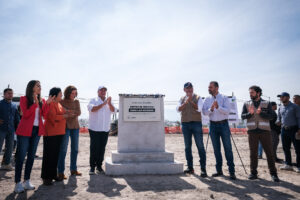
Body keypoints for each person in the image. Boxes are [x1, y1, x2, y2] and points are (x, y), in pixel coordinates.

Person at [14, 80, 53, 193]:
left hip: (37, 131)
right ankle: (17, 183)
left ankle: (26, 181)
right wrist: (35, 103)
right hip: (25, 131)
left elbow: (45, 115)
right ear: (31, 87)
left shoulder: (43, 100)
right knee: (21, 157)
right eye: (38, 86)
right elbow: (25, 114)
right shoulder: (23, 99)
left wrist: (47, 104)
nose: (40, 87)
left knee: (31, 157)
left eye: (40, 85)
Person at [241, 86, 279, 182]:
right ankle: (253, 173)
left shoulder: (267, 103)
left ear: (258, 93)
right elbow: (242, 116)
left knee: (269, 153)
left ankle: (273, 174)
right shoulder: (246, 103)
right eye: (250, 92)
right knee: (253, 153)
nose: (250, 94)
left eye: (252, 92)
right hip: (252, 132)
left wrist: (261, 113)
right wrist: (250, 113)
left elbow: (272, 116)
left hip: (265, 132)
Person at [202, 81, 236, 180]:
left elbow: (227, 111)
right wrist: (211, 109)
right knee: (216, 149)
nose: (209, 89)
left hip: (224, 124)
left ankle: (231, 171)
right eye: (208, 87)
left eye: (211, 87)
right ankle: (219, 170)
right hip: (212, 126)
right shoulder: (207, 99)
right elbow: (204, 112)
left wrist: (218, 107)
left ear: (217, 88)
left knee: (228, 148)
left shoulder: (224, 98)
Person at [42, 87, 74, 185]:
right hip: (51, 133)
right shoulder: (51, 103)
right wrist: (65, 116)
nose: (62, 96)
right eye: (60, 94)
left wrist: (68, 112)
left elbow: (63, 111)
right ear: (55, 96)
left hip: (58, 133)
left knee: (55, 155)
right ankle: (46, 178)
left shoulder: (58, 103)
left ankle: (53, 175)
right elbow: (53, 117)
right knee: (49, 156)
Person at [176, 82, 207, 177]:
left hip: (196, 123)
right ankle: (190, 167)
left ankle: (203, 169)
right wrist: (186, 102)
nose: (189, 90)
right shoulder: (181, 99)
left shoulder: (198, 97)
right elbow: (178, 109)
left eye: (190, 88)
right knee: (187, 147)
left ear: (193, 88)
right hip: (185, 124)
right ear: (184, 90)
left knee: (200, 146)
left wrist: (191, 102)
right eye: (187, 89)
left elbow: (199, 109)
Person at [87, 86, 116, 175]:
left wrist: (109, 103)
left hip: (105, 129)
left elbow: (114, 111)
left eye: (104, 90)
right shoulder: (93, 100)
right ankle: (92, 167)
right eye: (101, 90)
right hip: (94, 128)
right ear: (98, 92)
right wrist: (103, 104)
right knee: (94, 148)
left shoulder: (109, 102)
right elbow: (92, 109)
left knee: (102, 148)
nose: (103, 92)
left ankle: (99, 166)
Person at [57, 86, 81, 179]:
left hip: (75, 127)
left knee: (75, 149)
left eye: (75, 93)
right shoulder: (61, 101)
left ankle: (73, 169)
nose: (74, 95)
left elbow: (79, 112)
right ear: (68, 93)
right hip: (65, 127)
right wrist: (69, 113)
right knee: (63, 150)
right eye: (72, 93)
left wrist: (67, 112)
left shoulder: (77, 101)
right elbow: (61, 113)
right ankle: (60, 172)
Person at [277, 92, 300, 173]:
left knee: (298, 148)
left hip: (294, 129)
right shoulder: (280, 107)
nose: (281, 98)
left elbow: (299, 118)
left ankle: (298, 166)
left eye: (282, 97)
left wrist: (299, 129)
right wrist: (278, 122)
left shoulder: (295, 107)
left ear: (288, 97)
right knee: (285, 147)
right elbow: (279, 118)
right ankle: (288, 164)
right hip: (284, 130)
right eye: (280, 97)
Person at [0, 88, 20, 170]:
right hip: (1, 129)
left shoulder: (14, 105)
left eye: (11, 93)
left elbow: (16, 117)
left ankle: (7, 164)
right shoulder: (0, 103)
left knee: (10, 147)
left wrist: (18, 128)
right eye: (8, 93)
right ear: (4, 94)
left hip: (11, 130)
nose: (10, 95)